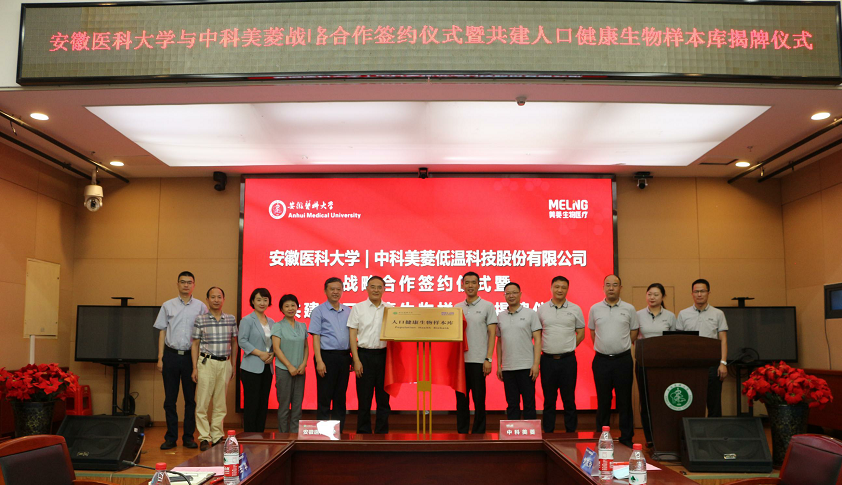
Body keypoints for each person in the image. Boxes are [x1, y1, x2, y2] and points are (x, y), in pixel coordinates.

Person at [153, 271, 207, 450]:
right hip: (170, 356)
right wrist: (160, 357)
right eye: (183, 282)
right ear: (177, 284)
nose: (186, 285)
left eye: (189, 282)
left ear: (194, 285)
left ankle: (189, 437)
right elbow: (162, 332)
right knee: (170, 399)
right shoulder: (167, 305)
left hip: (191, 358)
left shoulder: (201, 307)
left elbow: (205, 335)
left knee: (190, 400)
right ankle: (171, 437)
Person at [588, 274, 639, 448]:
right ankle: (602, 437)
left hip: (623, 360)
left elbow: (633, 332)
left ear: (620, 288)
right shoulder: (595, 309)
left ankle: (627, 437)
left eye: (615, 285)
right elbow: (593, 332)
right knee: (603, 400)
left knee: (624, 400)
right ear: (603, 287)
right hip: (601, 360)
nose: (611, 288)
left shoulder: (629, 309)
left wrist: (620, 346)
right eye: (608, 285)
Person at [190, 287, 237, 451]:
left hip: (224, 363)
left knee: (220, 403)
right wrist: (194, 368)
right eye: (213, 297)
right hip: (206, 363)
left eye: (219, 297)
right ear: (207, 299)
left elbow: (234, 343)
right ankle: (204, 437)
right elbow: (195, 344)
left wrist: (233, 365)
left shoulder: (230, 319)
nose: (216, 300)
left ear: (224, 299)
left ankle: (217, 436)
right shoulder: (200, 319)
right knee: (202, 403)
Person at [537, 276, 585, 433]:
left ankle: (571, 433)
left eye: (563, 287)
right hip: (547, 360)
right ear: (551, 288)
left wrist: (569, 346)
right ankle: (548, 433)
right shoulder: (542, 309)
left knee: (569, 399)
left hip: (568, 360)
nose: (560, 290)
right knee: (549, 400)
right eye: (557, 287)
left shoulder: (575, 309)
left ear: (567, 289)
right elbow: (537, 334)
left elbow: (581, 333)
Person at [676, 278, 728, 417]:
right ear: (692, 294)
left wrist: (723, 363)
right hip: (690, 364)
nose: (699, 294)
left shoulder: (718, 314)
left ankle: (714, 431)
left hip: (712, 364)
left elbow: (723, 339)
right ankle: (693, 431)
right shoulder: (683, 314)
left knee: (714, 403)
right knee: (691, 402)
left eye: (702, 291)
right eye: (696, 291)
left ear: (708, 293)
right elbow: (679, 341)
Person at [348, 276, 394, 434]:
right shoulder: (358, 308)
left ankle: (382, 433)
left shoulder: (390, 309)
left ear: (384, 289)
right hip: (364, 356)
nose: (376, 290)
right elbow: (352, 334)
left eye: (379, 287)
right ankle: (363, 432)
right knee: (364, 398)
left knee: (383, 399)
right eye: (373, 287)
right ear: (367, 288)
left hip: (384, 357)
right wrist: (356, 359)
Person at [454, 271, 498, 434]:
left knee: (479, 400)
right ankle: (462, 431)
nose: (470, 285)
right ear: (462, 285)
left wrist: (488, 358)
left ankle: (479, 433)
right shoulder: (457, 308)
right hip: (460, 362)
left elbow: (492, 334)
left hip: (479, 360)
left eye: (473, 282)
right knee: (461, 400)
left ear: (479, 285)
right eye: (467, 283)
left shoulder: (487, 306)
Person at [634, 283, 676, 447]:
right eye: (649, 294)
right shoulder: (638, 315)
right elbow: (633, 338)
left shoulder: (670, 316)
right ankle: (650, 438)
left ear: (663, 297)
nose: (652, 297)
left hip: (664, 365)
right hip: (644, 363)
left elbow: (674, 341)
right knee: (646, 401)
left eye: (656, 294)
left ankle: (664, 436)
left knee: (663, 400)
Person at [308, 277, 352, 432]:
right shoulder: (319, 311)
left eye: (338, 289)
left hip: (344, 357)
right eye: (332, 289)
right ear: (325, 291)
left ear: (342, 291)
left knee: (340, 397)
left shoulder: (348, 311)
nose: (335, 292)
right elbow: (316, 337)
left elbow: (352, 335)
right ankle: (323, 433)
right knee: (325, 396)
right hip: (326, 357)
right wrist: (319, 360)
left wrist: (352, 357)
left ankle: (338, 432)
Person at [495, 282, 542, 420]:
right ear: (504, 296)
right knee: (512, 404)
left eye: (514, 292)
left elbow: (538, 339)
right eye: (508, 293)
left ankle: (530, 433)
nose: (511, 296)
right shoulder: (500, 316)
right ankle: (512, 432)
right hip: (508, 367)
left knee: (529, 403)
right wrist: (499, 365)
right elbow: (499, 341)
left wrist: (536, 364)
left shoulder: (530, 314)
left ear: (520, 294)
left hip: (527, 367)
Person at [239, 288, 275, 432]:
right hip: (251, 367)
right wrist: (260, 354)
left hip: (267, 367)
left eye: (265, 300)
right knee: (251, 403)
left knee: (263, 403)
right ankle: (249, 435)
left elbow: (274, 343)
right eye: (259, 300)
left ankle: (260, 434)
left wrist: (272, 354)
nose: (262, 303)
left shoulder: (272, 322)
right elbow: (242, 341)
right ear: (253, 301)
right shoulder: (247, 320)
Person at [272, 294, 309, 433]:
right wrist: (289, 366)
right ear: (281, 309)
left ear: (297, 307)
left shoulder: (302, 326)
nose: (290, 308)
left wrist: (304, 364)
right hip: (284, 370)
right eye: (286, 306)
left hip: (300, 371)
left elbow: (306, 347)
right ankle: (283, 437)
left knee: (297, 407)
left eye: (293, 305)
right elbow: (276, 349)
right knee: (284, 407)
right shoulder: (278, 326)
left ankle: (295, 436)